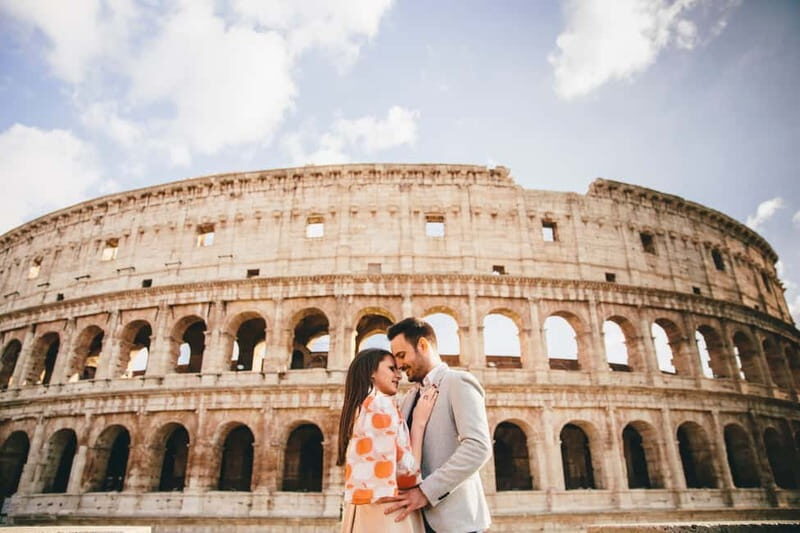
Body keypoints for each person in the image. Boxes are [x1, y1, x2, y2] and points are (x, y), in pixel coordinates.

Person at [384, 317, 492, 533]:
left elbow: (478, 447)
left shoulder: (458, 382)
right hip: (417, 521)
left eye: (401, 355)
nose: (399, 365)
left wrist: (426, 492)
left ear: (422, 345)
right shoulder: (409, 396)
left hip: (456, 522)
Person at [337, 347, 438, 533]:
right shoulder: (382, 405)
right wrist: (419, 423)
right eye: (392, 369)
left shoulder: (358, 408)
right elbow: (408, 471)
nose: (399, 376)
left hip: (361, 509)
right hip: (389, 513)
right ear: (371, 373)